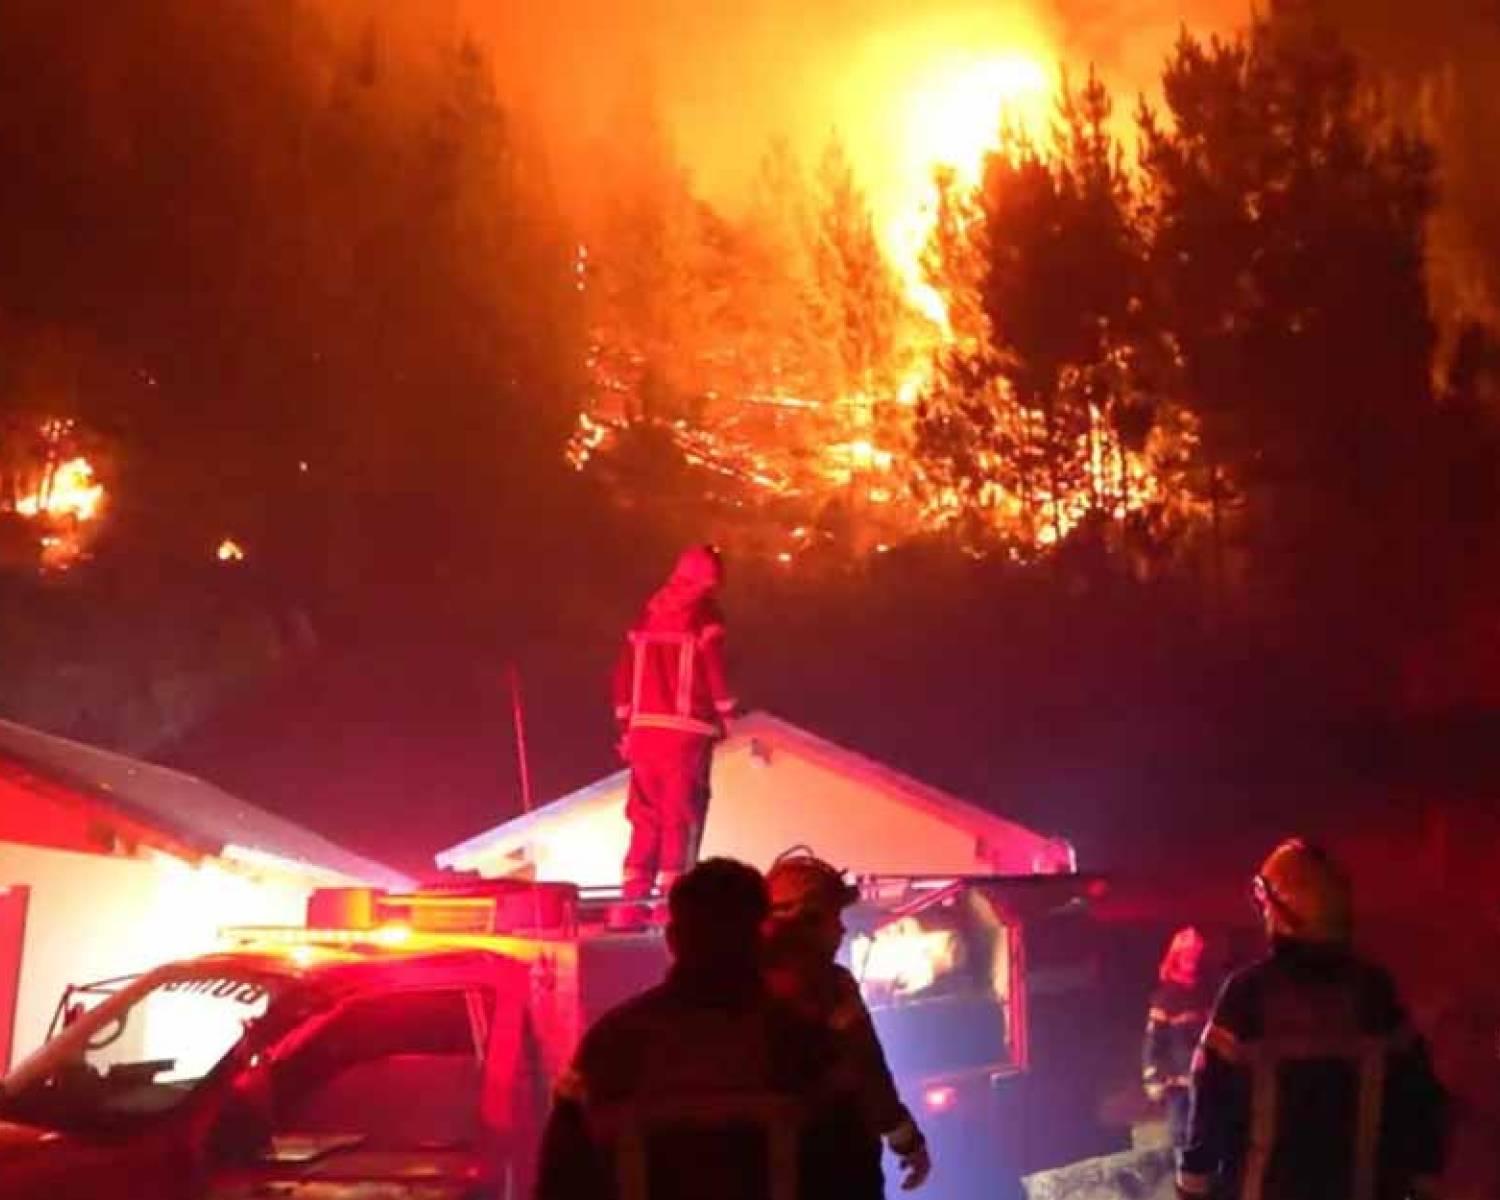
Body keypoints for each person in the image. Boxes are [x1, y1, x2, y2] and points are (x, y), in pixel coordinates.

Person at [535, 857, 879, 1200]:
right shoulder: (808, 1048)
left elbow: (560, 1180)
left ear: (673, 940)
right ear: (760, 938)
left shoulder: (610, 1046)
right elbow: (855, 1179)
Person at [1177, 838, 1448, 1200]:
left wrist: (1192, 1187)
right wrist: (1423, 1182)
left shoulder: (1248, 994)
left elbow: (1209, 1102)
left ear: (1278, 911)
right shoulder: (1375, 994)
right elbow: (1419, 1101)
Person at [761, 850, 932, 1193]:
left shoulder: (734, 977)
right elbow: (865, 1067)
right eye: (832, 917)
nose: (841, 928)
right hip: (831, 1160)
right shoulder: (830, 985)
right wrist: (907, 1140)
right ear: (805, 918)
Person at [611, 545, 736, 917]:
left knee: (644, 818)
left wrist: (625, 727)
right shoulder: (703, 614)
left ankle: (631, 905)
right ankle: (670, 906)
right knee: (679, 817)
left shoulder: (648, 613)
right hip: (686, 733)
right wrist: (727, 713)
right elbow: (713, 668)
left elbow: (621, 674)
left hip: (643, 733)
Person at [1143, 925, 1213, 1149]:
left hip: (1207, 1082)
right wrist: (1152, 1078)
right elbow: (1153, 1044)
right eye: (1189, 956)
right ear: (1177, 957)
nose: (1193, 961)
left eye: (1197, 956)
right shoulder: (1166, 999)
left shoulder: (1208, 993)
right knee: (1182, 1142)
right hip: (1179, 1087)